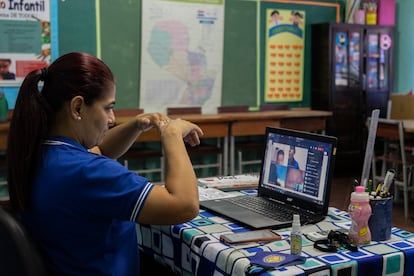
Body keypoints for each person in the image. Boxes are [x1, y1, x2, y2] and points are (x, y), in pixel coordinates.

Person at [7, 52, 204, 275]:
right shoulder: (89, 172)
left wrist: (135, 126)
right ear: (78, 108)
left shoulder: (42, 152)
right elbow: (184, 206)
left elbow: (100, 150)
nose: (112, 119)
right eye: (108, 107)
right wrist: (172, 134)